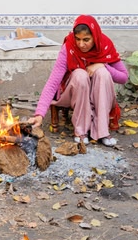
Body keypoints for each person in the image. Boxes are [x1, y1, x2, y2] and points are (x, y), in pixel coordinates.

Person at [27, 15, 128, 147]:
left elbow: (123, 77)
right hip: (74, 93)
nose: (81, 44)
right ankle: (81, 131)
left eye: (86, 40)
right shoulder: (69, 47)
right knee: (80, 74)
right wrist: (39, 114)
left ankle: (102, 132)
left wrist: (102, 64)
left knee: (102, 73)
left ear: (95, 37)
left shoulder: (105, 45)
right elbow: (53, 82)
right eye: (78, 39)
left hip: (99, 93)